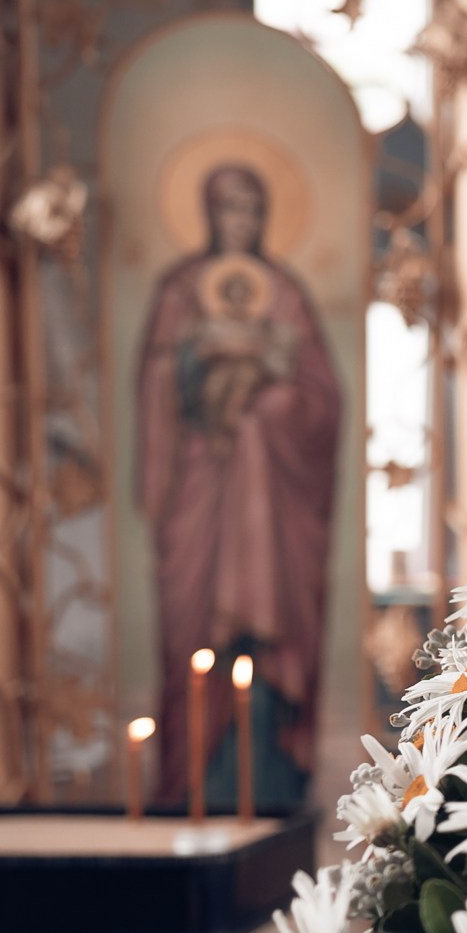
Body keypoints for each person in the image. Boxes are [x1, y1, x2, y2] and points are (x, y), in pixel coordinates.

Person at [136, 162, 341, 812]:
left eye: (251, 210)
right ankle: (189, 786)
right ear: (208, 213)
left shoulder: (285, 294)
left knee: (265, 648)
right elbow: (157, 383)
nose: (240, 223)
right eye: (229, 209)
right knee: (191, 636)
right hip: (202, 485)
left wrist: (270, 398)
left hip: (271, 511)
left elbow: (322, 398)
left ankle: (274, 791)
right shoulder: (177, 291)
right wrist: (199, 354)